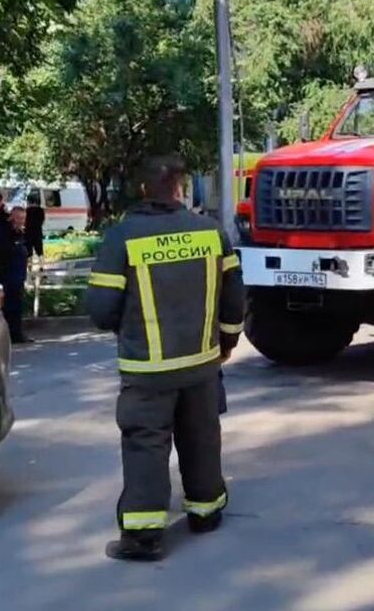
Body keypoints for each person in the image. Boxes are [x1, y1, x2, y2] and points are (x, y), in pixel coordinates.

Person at [86, 155, 245, 562]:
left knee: (146, 448)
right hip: (202, 364)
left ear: (141, 191)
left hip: (148, 370)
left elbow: (103, 311)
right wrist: (227, 343)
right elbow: (234, 300)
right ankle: (206, 514)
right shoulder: (211, 233)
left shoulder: (122, 237)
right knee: (202, 438)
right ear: (180, 189)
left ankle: (143, 538)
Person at [0, 207, 32, 344]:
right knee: (9, 307)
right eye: (18, 218)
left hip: (18, 276)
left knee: (17, 307)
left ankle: (16, 334)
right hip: (8, 276)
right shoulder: (6, 233)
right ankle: (11, 335)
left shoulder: (21, 233)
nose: (21, 221)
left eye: (23, 218)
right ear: (11, 217)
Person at [25, 191, 45, 259]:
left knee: (28, 251)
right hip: (38, 232)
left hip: (28, 233)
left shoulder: (27, 210)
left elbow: (25, 222)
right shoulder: (41, 210)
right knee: (40, 251)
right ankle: (41, 266)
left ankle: (30, 268)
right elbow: (42, 220)